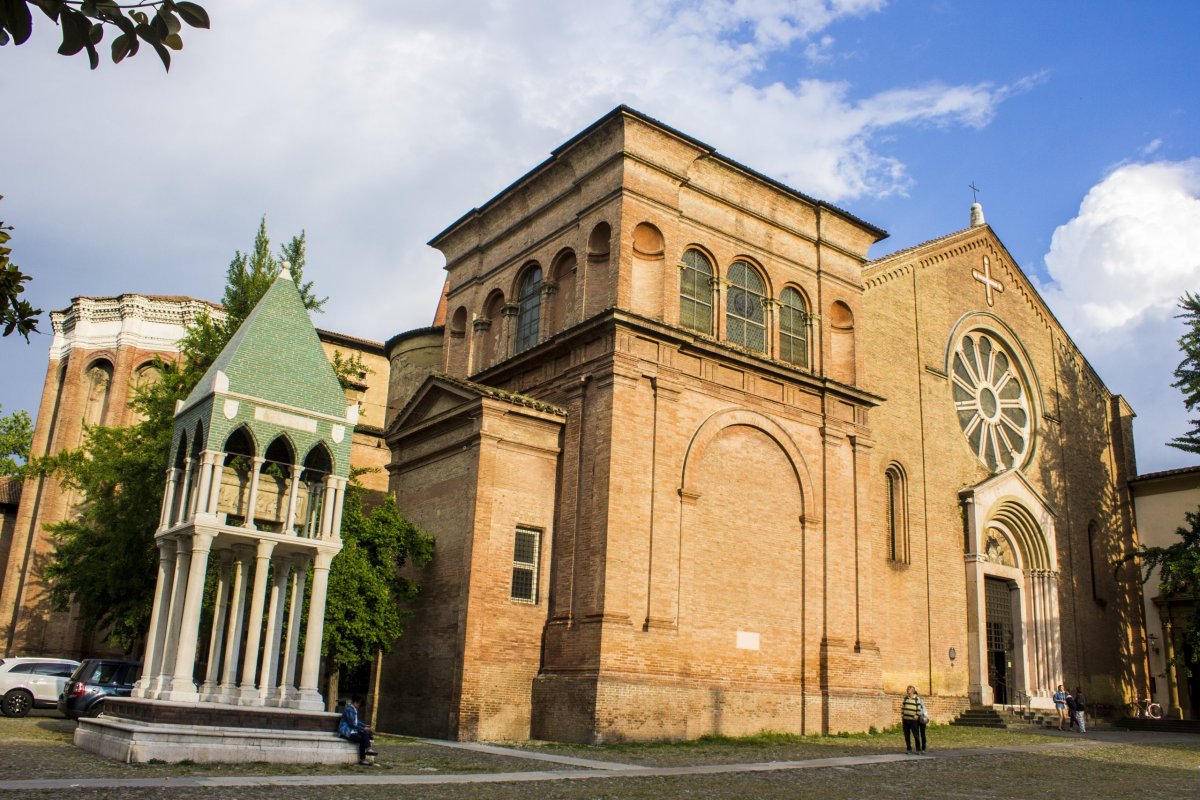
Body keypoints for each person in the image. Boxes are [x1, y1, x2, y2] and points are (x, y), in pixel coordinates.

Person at [338, 695, 378, 765]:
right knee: (362, 738)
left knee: (365, 734)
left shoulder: (353, 709)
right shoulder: (349, 709)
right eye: (360, 704)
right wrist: (363, 728)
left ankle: (369, 749)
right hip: (346, 732)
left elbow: (356, 721)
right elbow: (352, 724)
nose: (359, 706)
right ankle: (362, 759)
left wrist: (364, 726)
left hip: (353, 731)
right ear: (356, 702)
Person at [901, 685, 928, 755]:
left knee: (917, 735)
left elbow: (920, 709)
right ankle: (909, 748)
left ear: (912, 691)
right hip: (906, 719)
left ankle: (919, 749)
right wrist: (902, 715)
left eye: (908, 689)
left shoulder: (917, 699)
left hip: (915, 719)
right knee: (906, 735)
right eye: (907, 689)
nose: (907, 690)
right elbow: (903, 707)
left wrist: (916, 716)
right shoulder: (906, 698)